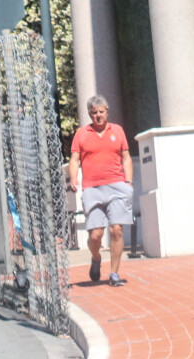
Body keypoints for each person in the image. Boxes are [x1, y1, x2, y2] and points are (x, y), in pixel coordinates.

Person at [69, 95, 133, 287]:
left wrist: (128, 181)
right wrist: (74, 178)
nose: (98, 116)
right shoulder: (81, 133)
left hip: (117, 186)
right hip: (92, 189)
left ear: (107, 112)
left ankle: (114, 274)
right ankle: (96, 257)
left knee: (116, 230)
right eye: (94, 112)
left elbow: (126, 157)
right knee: (95, 234)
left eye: (101, 112)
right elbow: (74, 160)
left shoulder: (118, 131)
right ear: (90, 114)